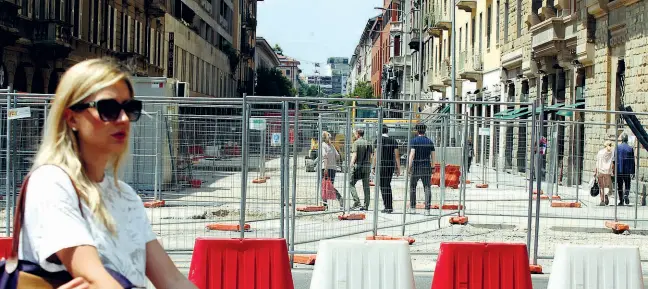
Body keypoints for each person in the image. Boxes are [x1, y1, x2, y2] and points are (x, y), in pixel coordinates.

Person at [19, 58, 198, 289]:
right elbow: (99, 281)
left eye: (130, 109)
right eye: (109, 109)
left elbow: (172, 280)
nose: (123, 119)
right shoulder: (51, 183)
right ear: (72, 117)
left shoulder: (126, 195)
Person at [372, 126, 401, 213]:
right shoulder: (393, 140)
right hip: (390, 165)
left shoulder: (378, 140)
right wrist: (398, 168)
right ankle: (389, 206)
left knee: (382, 186)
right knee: (387, 185)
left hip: (381, 165)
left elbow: (375, 155)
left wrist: (373, 167)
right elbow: (397, 156)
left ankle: (387, 206)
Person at [408, 123, 435, 216]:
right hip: (426, 167)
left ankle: (412, 208)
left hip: (416, 167)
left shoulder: (414, 141)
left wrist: (408, 167)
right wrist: (433, 167)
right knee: (427, 188)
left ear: (417, 130)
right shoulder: (430, 142)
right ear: (425, 131)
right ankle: (427, 209)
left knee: (412, 187)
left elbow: (412, 154)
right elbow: (433, 156)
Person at [349, 129, 373, 210]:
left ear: (358, 134)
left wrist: (351, 165)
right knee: (366, 187)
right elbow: (371, 156)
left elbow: (354, 155)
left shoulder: (356, 143)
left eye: (355, 134)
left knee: (351, 183)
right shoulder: (369, 143)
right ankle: (366, 205)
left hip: (358, 167)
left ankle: (357, 202)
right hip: (366, 167)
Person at [321, 131, 343, 210]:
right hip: (333, 168)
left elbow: (325, 156)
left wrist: (326, 168)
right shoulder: (332, 146)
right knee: (330, 186)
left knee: (324, 186)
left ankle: (325, 205)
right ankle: (340, 199)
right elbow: (337, 156)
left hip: (325, 168)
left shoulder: (323, 145)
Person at [616, 134, 635, 206]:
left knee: (620, 186)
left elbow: (614, 159)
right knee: (627, 184)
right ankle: (626, 194)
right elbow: (632, 161)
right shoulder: (630, 148)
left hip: (619, 169)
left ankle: (621, 201)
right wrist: (633, 172)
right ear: (627, 139)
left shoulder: (617, 147)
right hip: (627, 170)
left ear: (621, 139)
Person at [595, 140, 614, 206]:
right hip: (607, 171)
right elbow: (612, 163)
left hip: (600, 170)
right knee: (606, 186)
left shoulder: (600, 152)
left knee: (601, 186)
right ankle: (606, 195)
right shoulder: (611, 153)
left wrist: (595, 172)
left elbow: (597, 162)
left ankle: (602, 201)